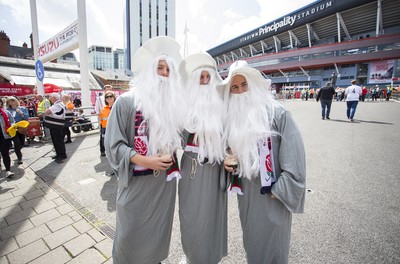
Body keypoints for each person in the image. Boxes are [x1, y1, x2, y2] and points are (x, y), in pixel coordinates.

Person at [105, 36, 185, 264]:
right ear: (149, 70)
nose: (164, 74)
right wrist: (145, 160)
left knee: (158, 233)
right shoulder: (126, 103)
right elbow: (114, 146)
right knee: (129, 234)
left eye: (168, 70)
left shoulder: (174, 106)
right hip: (136, 183)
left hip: (164, 186)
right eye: (159, 68)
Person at [221, 61, 306, 264]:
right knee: (253, 245)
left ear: (254, 85)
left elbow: (296, 161)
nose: (241, 91)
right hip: (247, 196)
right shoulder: (232, 118)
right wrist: (228, 160)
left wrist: (278, 191)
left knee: (274, 248)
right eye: (235, 87)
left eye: (244, 85)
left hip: (272, 196)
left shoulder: (278, 114)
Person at [178, 52, 227, 264]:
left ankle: (211, 256)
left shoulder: (222, 106)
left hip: (215, 169)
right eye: (201, 77)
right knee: (190, 214)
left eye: (209, 77)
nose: (206, 82)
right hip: (191, 168)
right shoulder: (182, 106)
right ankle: (192, 256)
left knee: (213, 215)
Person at [44, 93, 67, 160]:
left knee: (58, 140)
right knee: (56, 140)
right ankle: (59, 154)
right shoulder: (59, 104)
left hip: (56, 125)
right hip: (56, 125)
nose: (49, 99)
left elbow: (47, 111)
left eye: (50, 97)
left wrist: (46, 111)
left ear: (54, 98)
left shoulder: (57, 105)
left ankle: (62, 155)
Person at [6, 96, 29, 164]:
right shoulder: (7, 110)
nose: (12, 103)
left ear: (16, 101)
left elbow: (26, 118)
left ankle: (18, 151)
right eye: (10, 102)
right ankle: (19, 157)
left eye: (13, 101)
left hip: (21, 128)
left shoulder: (22, 108)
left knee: (21, 143)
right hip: (13, 129)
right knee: (16, 143)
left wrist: (21, 113)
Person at [0, 99, 15, 177]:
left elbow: (12, 121)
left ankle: (8, 170)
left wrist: (12, 127)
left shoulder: (6, 112)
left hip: (4, 136)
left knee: (5, 154)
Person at [99, 91, 116, 156]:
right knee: (105, 142)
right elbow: (101, 119)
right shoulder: (103, 109)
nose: (109, 98)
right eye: (107, 97)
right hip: (105, 128)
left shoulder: (116, 107)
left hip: (114, 128)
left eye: (111, 97)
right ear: (105, 99)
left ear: (114, 98)